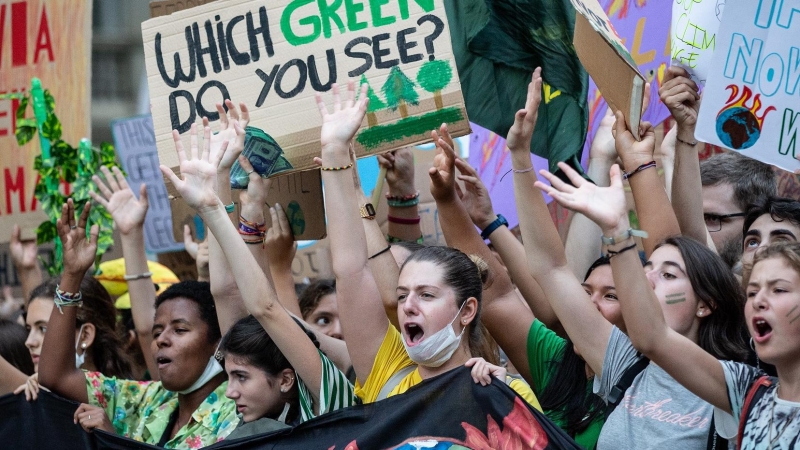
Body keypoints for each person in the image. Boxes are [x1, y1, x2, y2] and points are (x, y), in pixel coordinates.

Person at [532, 110, 750, 448]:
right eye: (648, 270)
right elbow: (551, 269)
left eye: (666, 274)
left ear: (706, 304)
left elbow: (673, 246)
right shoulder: (627, 366)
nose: (647, 280)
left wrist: (620, 229)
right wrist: (519, 158)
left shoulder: (739, 385)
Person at [315, 81, 539, 409]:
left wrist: (505, 411)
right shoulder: (388, 378)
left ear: (467, 311)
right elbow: (351, 271)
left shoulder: (510, 393)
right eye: (402, 294)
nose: (405, 306)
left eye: (426, 295)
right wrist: (336, 153)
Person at [160, 120, 358, 436]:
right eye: (231, 375)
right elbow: (224, 291)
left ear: (285, 379)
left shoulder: (332, 402)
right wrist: (220, 179)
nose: (229, 391)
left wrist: (213, 208)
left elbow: (268, 309)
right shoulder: (258, 419)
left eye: (241, 377)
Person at [37, 200, 237, 448]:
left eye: (180, 329)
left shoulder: (238, 413)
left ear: (217, 343)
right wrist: (72, 275)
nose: (161, 340)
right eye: (157, 331)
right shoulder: (147, 399)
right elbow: (56, 376)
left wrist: (116, 443)